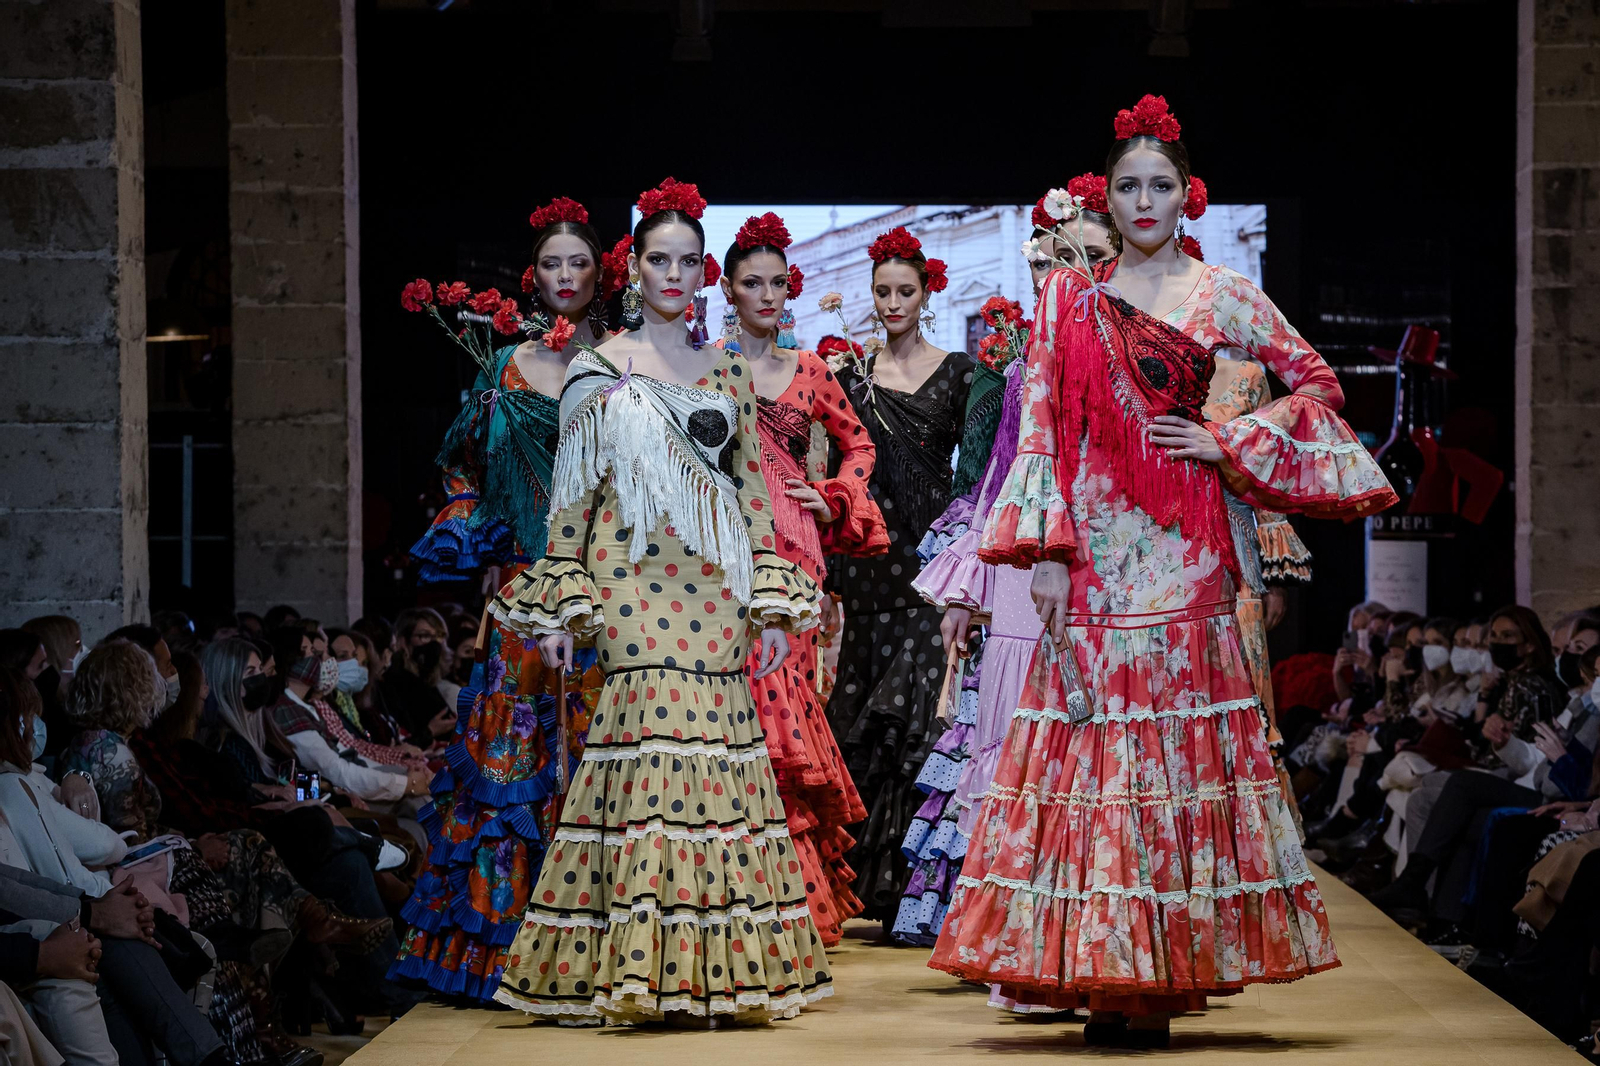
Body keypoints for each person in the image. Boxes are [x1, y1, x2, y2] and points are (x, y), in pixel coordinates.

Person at [928, 95, 1396, 1046]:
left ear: (1188, 197)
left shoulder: (1222, 294)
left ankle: (1162, 967)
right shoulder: (1071, 297)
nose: (1145, 201)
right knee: (1097, 752)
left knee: (1169, 758)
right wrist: (1048, 554)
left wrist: (1229, 440)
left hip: (1185, 550)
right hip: (1094, 551)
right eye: (1130, 185)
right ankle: (1105, 972)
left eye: (1162, 186)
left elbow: (1318, 384)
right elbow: (1046, 431)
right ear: (1110, 194)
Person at [486, 177, 831, 1025]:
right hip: (630, 582)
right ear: (632, 268)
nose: (674, 275)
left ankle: (711, 975)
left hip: (714, 592)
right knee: (644, 764)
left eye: (687, 262)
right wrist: (566, 606)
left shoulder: (726, 369)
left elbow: (751, 489)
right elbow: (573, 495)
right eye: (658, 260)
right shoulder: (599, 369)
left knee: (716, 771)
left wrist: (772, 604)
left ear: (703, 272)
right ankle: (641, 974)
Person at [390, 197, 611, 1001]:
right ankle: (506, 950)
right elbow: (458, 463)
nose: (563, 276)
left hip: (611, 588)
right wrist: (483, 533)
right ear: (535, 274)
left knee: (596, 756)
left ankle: (600, 947)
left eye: (576, 263)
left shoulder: (624, 359)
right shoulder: (504, 364)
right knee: (514, 760)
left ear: (598, 274)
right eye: (551, 263)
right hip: (525, 588)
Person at [894, 183, 1120, 951]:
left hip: (1115, 575)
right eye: (1061, 259)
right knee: (1012, 744)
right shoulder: (1028, 366)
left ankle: (1094, 939)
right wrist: (968, 585)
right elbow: (998, 480)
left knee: (1094, 752)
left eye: (1094, 257)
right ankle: (1019, 941)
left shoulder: (1138, 358)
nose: (1076, 272)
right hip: (1027, 571)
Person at [716, 211, 886, 945]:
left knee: (788, 709)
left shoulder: (812, 368)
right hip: (721, 550)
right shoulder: (705, 364)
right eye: (750, 282)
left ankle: (797, 902)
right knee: (737, 714)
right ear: (725, 287)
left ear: (791, 289)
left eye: (776, 283)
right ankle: (740, 897)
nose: (765, 294)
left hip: (794, 553)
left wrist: (839, 494)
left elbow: (860, 444)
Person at [823, 223, 991, 923]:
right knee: (864, 719)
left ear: (927, 294)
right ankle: (866, 885)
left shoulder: (960, 372)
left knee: (918, 718)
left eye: (905, 291)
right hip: (865, 569)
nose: (892, 302)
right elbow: (831, 470)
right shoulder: (849, 377)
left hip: (929, 565)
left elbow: (974, 477)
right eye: (882, 291)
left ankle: (913, 896)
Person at [19, 616, 83, 760]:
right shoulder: (47, 711)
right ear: (57, 648)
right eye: (77, 643)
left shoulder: (69, 702)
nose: (82, 650)